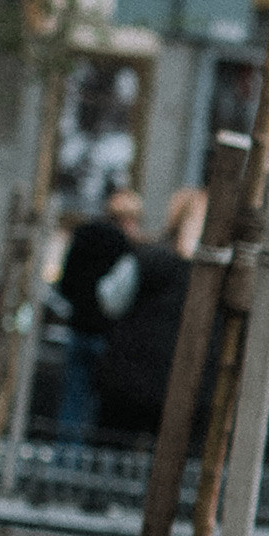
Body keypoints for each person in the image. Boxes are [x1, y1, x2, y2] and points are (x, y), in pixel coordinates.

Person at [96, 187, 206, 440]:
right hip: (186, 389)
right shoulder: (211, 274)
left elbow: (110, 300)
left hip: (129, 379)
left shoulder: (147, 256)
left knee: (114, 454)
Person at [52, 186, 143, 442]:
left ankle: (66, 455)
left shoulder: (83, 235)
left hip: (79, 326)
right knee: (99, 401)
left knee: (73, 397)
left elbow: (65, 283)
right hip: (108, 333)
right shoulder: (126, 247)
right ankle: (88, 457)